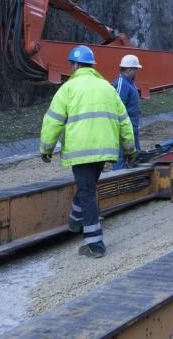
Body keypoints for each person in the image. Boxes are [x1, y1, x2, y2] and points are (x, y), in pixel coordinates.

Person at [40, 45, 137, 258]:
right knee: (87, 187)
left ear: (74, 65)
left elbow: (53, 121)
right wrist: (130, 150)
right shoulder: (107, 88)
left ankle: (95, 244)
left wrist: (46, 149)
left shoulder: (68, 89)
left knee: (87, 193)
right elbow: (124, 121)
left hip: (81, 151)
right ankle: (75, 222)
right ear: (92, 65)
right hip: (104, 151)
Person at [112, 54, 143, 170]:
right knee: (120, 160)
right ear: (129, 69)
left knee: (135, 157)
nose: (137, 72)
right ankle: (118, 183)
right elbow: (117, 108)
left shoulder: (129, 83)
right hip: (123, 130)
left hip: (131, 129)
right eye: (136, 69)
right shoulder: (121, 84)